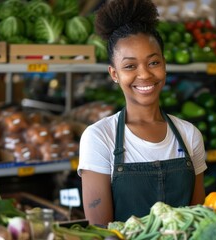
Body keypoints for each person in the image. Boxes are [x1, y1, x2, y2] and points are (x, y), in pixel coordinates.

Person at [78, 0, 207, 226]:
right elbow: (101, 231)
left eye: (153, 62)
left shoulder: (189, 135)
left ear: (164, 65)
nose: (145, 75)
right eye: (130, 66)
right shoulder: (99, 137)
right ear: (114, 73)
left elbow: (199, 222)